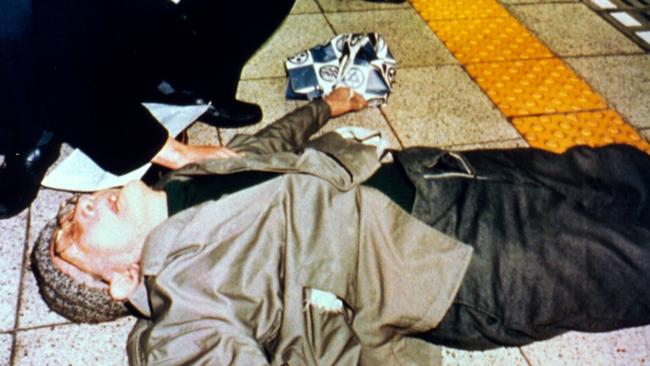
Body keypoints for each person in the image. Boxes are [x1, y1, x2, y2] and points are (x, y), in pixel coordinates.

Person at [32, 88, 650, 364]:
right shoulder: (183, 313)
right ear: (120, 282)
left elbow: (262, 146)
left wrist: (327, 105)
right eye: (70, 237)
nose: (79, 207)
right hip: (461, 269)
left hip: (442, 175)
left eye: (67, 209)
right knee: (626, 255)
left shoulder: (185, 181)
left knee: (609, 171)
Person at [0, 0, 295, 219]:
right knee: (36, 32)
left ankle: (192, 83)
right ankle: (35, 133)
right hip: (39, 33)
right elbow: (63, 46)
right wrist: (174, 153)